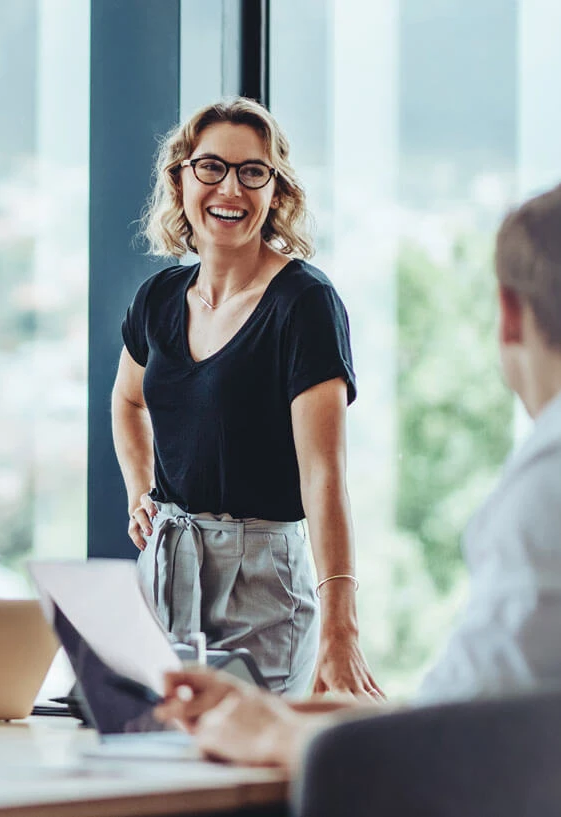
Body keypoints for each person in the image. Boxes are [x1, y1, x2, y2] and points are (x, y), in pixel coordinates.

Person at [155, 179, 561, 769]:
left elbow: (450, 746)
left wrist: (269, 733)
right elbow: (481, 705)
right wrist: (283, 712)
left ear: (508, 315)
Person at [113, 97, 378, 697]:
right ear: (180, 179)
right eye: (211, 167)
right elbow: (128, 402)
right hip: (164, 567)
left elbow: (324, 475)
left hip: (261, 581)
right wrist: (139, 493)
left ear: (276, 191)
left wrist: (342, 627)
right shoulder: (157, 298)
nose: (229, 188)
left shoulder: (304, 304)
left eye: (251, 171)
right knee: (155, 764)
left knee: (247, 776)